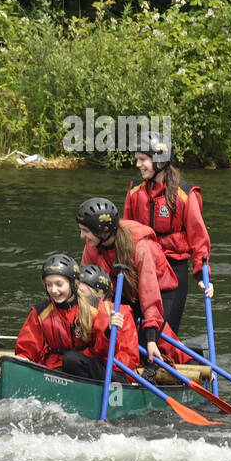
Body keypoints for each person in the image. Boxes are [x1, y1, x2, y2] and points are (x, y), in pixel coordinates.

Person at [75, 197, 189, 365]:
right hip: (124, 290)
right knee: (107, 336)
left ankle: (185, 360)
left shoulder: (142, 247)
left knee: (145, 344)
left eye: (85, 231)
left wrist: (151, 338)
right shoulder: (92, 244)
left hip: (159, 292)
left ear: (104, 230)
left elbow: (149, 294)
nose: (81, 236)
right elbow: (86, 286)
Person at [123, 131, 212, 335]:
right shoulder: (135, 192)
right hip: (141, 268)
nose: (138, 165)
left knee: (164, 334)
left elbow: (199, 238)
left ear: (160, 162)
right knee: (136, 330)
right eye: (137, 159)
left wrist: (201, 273)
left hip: (173, 269)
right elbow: (126, 232)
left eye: (143, 160)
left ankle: (163, 361)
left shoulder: (185, 195)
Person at [14, 253, 118, 380]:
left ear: (73, 283)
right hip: (56, 367)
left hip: (89, 366)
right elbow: (27, 348)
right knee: (65, 362)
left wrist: (108, 330)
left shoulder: (96, 308)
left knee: (71, 359)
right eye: (49, 284)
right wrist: (14, 366)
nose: (53, 290)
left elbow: (103, 350)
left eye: (59, 284)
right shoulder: (41, 312)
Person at [76, 264, 139, 373]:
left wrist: (108, 331)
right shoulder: (76, 310)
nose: (80, 299)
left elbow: (128, 359)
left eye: (82, 293)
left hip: (116, 367)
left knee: (72, 359)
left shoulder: (119, 312)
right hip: (96, 361)